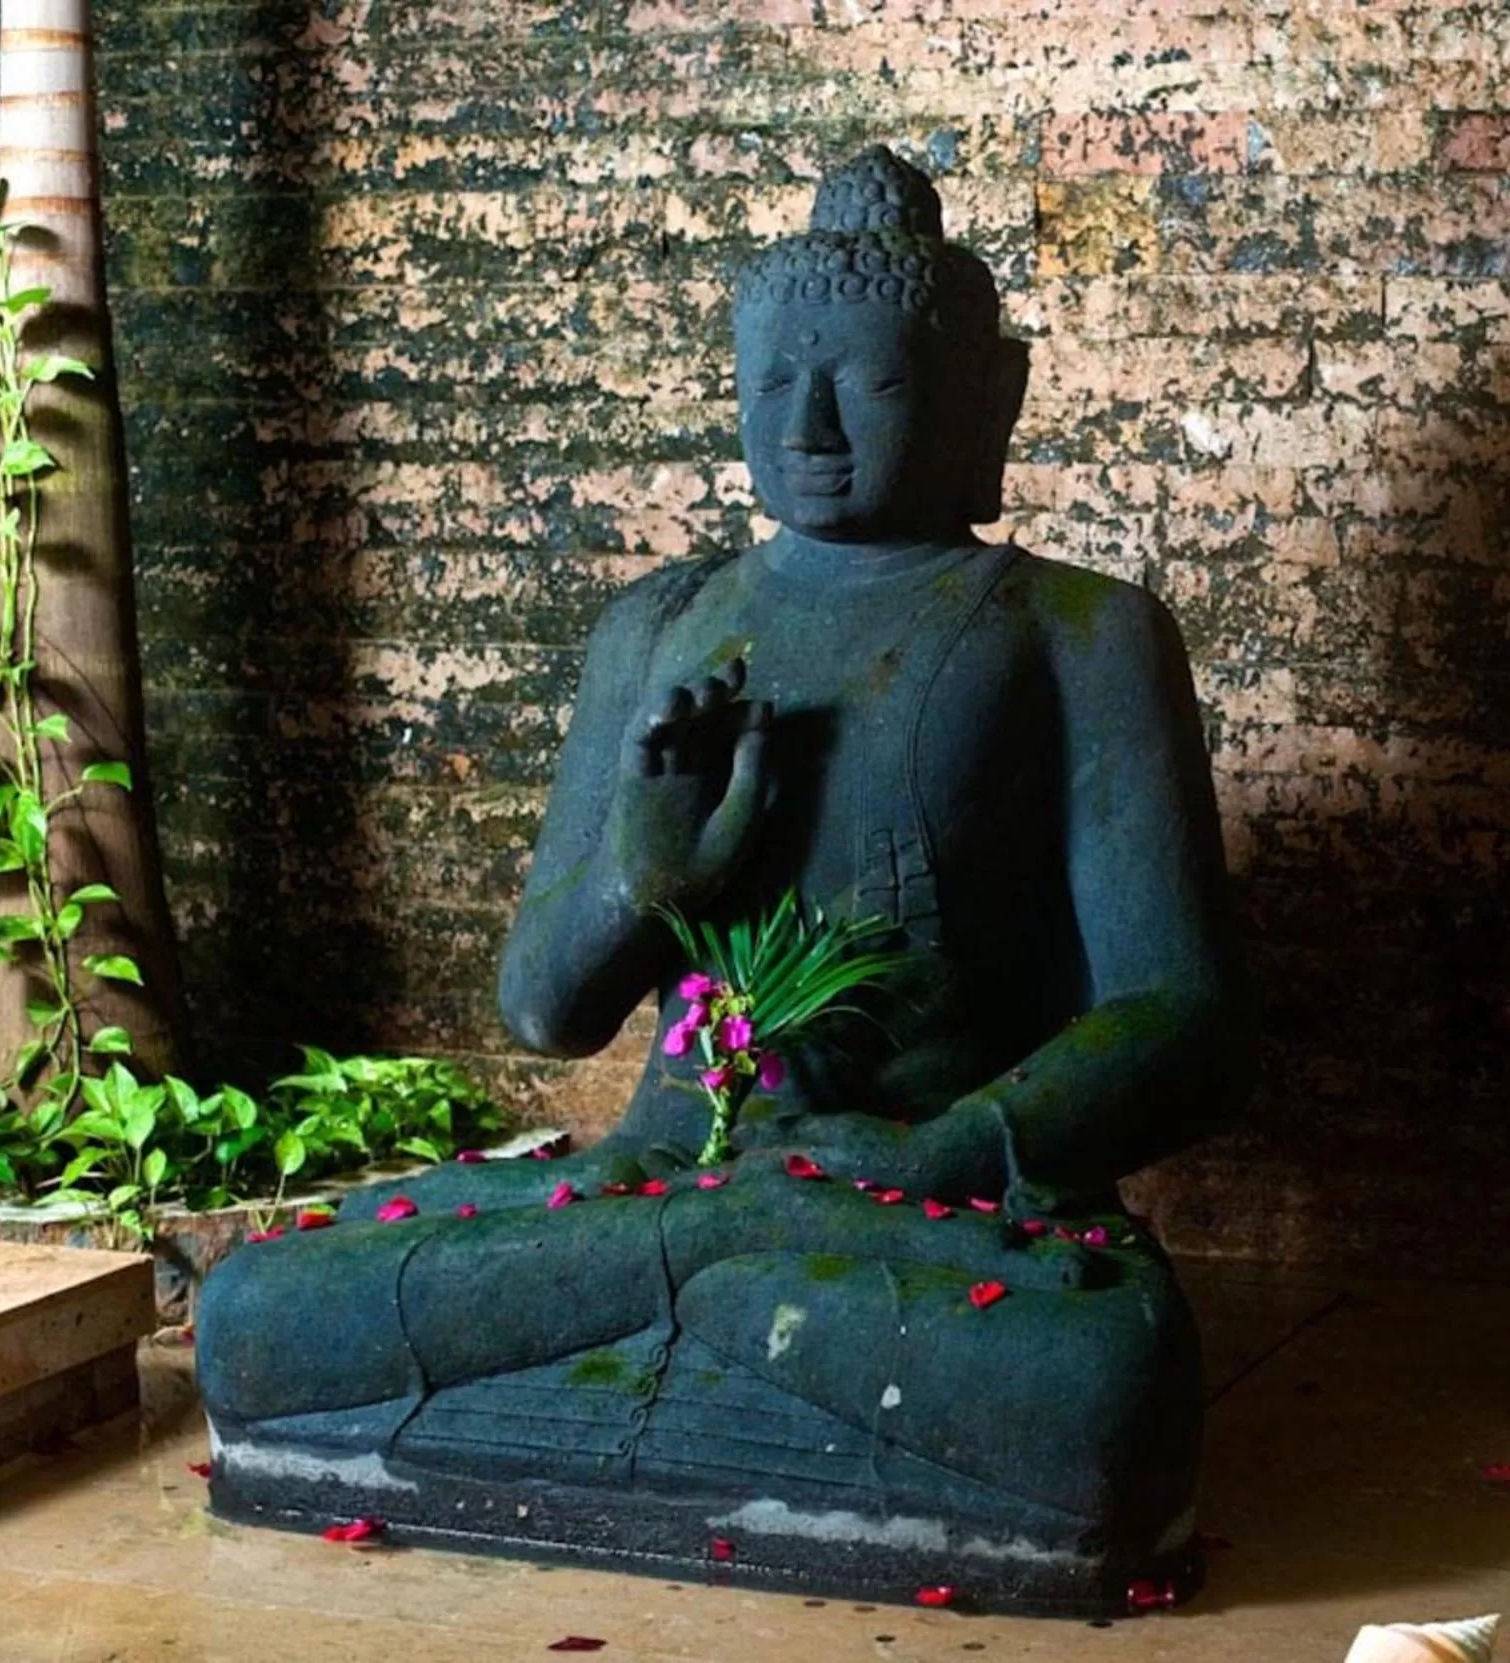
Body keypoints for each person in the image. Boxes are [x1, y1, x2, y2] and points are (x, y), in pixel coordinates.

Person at [193, 149, 1252, 1616]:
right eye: (772, 383)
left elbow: (1184, 1012)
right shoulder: (661, 625)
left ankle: (678, 1303)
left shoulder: (1076, 634)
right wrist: (649, 875)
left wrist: (955, 1149)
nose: (807, 428)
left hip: (910, 1196)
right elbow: (546, 1010)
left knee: (1092, 1381)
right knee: (249, 1313)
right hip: (665, 1177)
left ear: (983, 400)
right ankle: (718, 1279)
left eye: (866, 387)